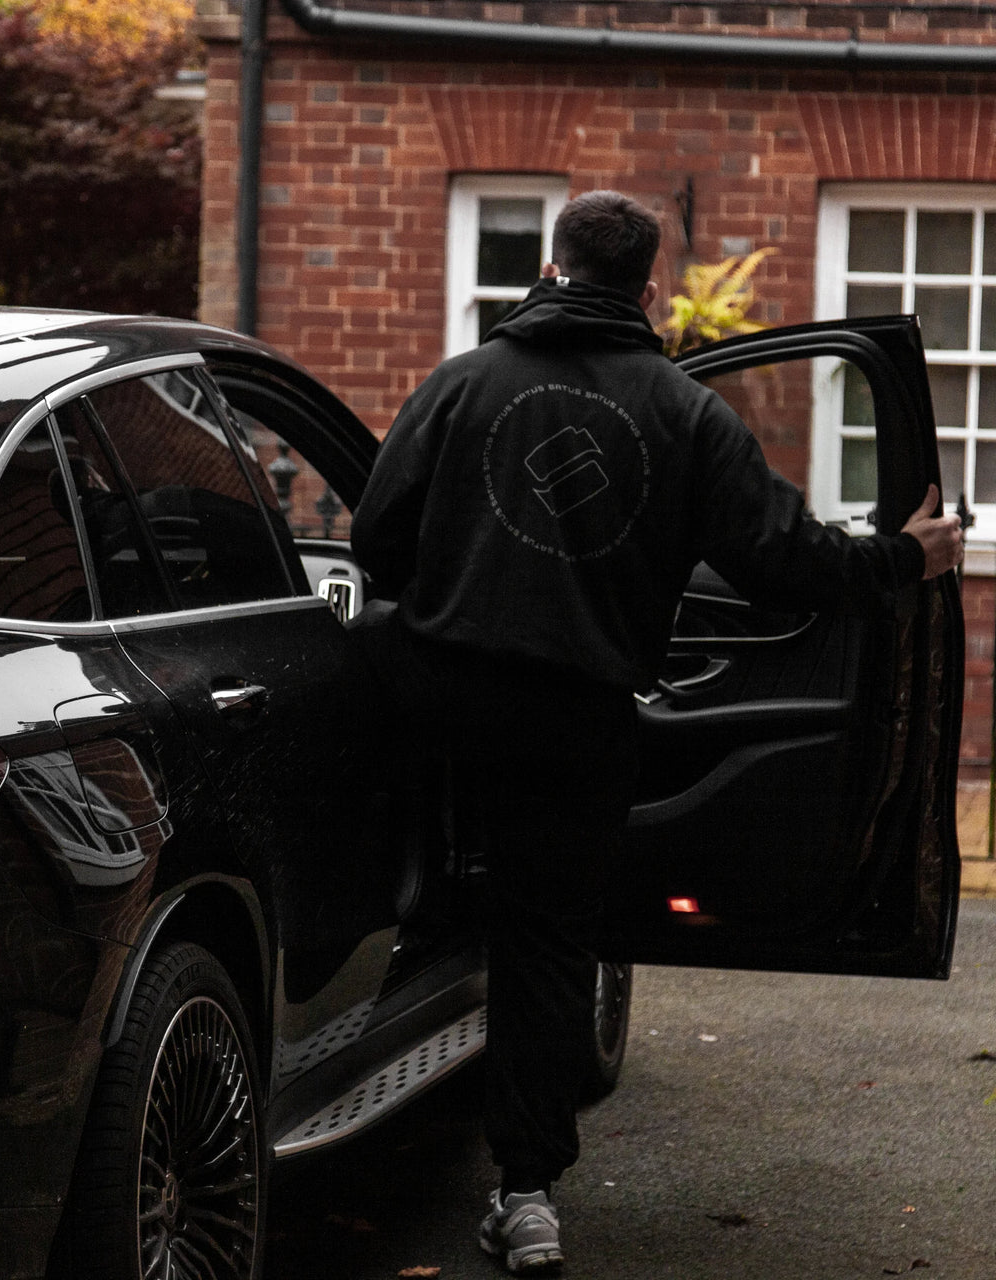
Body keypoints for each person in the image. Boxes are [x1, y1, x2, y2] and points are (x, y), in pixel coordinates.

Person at [349, 190, 963, 1274]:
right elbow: (786, 560)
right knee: (545, 943)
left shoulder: (459, 385)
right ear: (646, 292)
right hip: (576, 720)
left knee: (404, 885)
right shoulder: (682, 413)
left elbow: (376, 540)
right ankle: (526, 1196)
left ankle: (338, 1046)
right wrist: (906, 557)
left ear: (548, 271)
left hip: (440, 705)